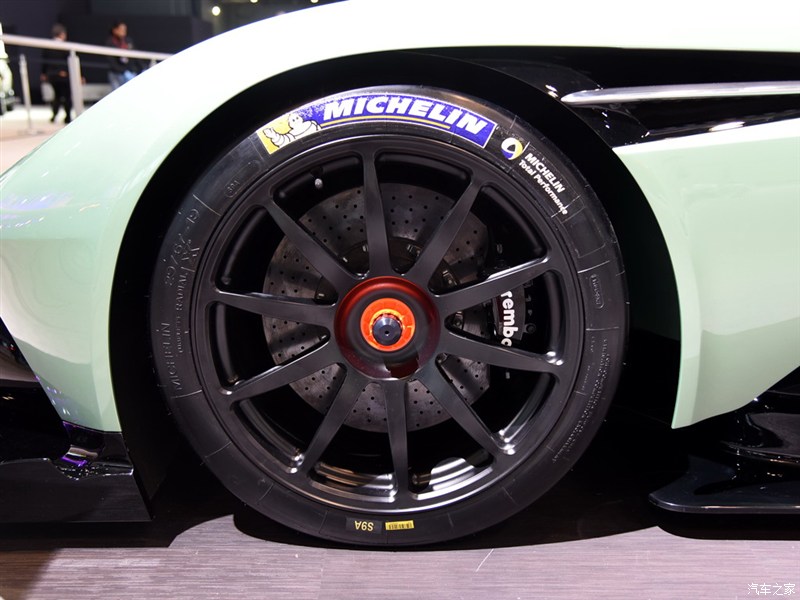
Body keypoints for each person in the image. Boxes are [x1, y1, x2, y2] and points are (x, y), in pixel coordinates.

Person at [40, 23, 72, 123]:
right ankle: (67, 117)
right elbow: (68, 61)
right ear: (62, 34)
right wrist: (65, 72)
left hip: (52, 76)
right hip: (63, 75)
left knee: (57, 96)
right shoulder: (65, 47)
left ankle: (55, 115)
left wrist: (44, 73)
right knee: (66, 96)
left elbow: (44, 61)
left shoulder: (48, 46)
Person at [106, 21, 140, 90]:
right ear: (114, 30)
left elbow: (135, 55)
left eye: (124, 29)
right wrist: (124, 72)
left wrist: (142, 67)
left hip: (129, 71)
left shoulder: (128, 41)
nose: (123, 32)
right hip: (116, 73)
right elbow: (111, 62)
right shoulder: (110, 42)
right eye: (121, 29)